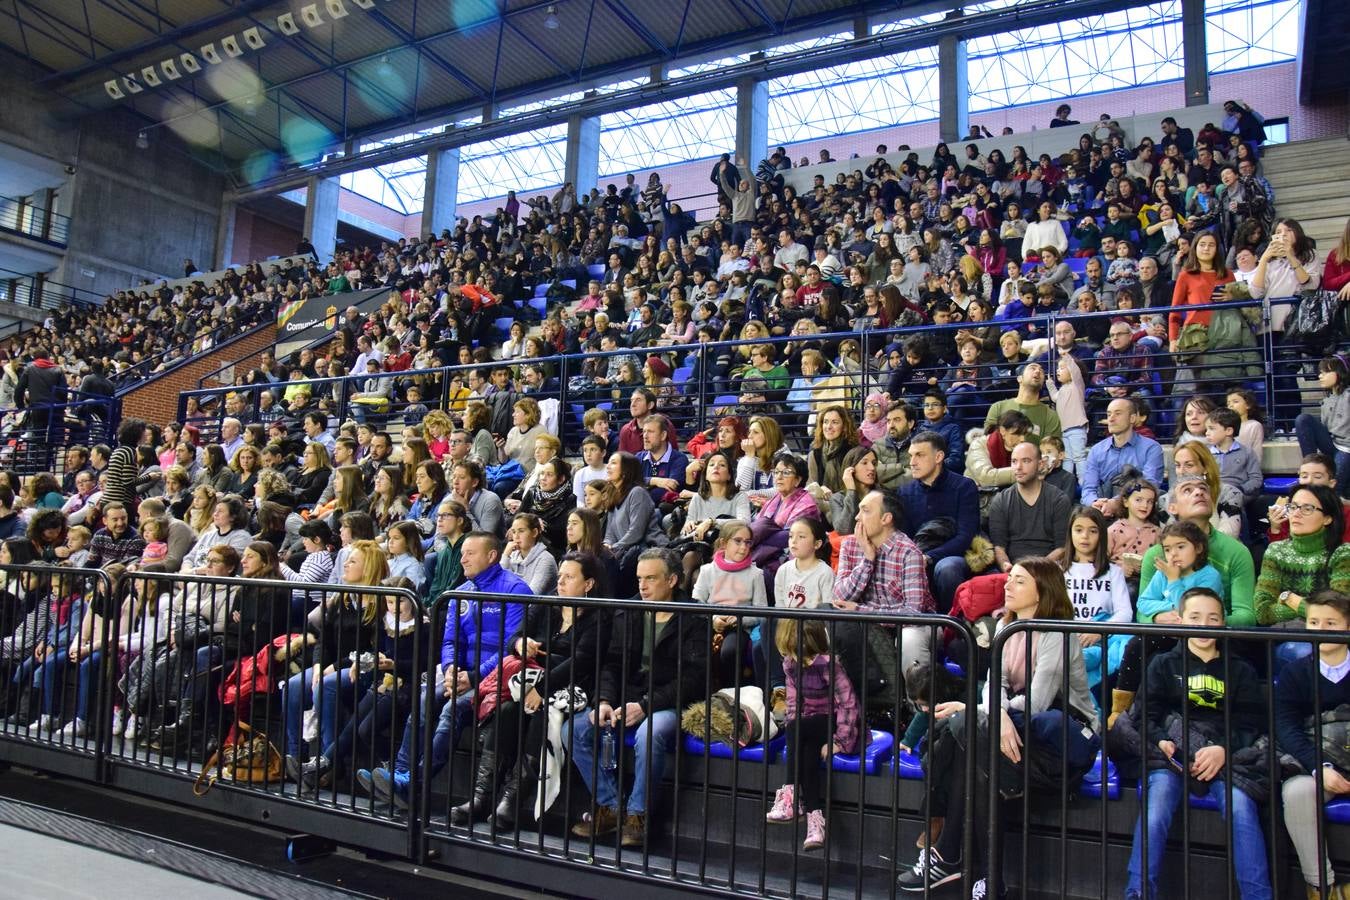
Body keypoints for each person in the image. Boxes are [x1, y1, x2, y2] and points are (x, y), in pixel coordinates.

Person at [899, 558, 1099, 895]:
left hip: (1061, 744)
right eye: (1011, 579)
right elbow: (996, 688)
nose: (1007, 586)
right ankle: (987, 877)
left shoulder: (1057, 634)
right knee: (974, 755)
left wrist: (984, 711)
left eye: (1019, 581)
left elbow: (1038, 703)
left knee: (964, 727)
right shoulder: (1008, 628)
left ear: (1042, 592)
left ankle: (949, 853)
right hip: (1017, 734)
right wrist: (998, 715)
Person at [1113, 588, 1271, 900]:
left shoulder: (1240, 669)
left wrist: (1223, 748)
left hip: (1224, 756)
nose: (1203, 625)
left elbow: (1251, 723)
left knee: (1241, 809)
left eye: (1213, 618)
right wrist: (1161, 740)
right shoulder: (1162, 664)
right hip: (1171, 754)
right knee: (1155, 809)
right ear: (1181, 620)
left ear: (1223, 623)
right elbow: (1146, 715)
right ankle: (1138, 892)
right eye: (1195, 617)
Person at [358, 532, 531, 810]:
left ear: (491, 556)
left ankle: (414, 782)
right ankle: (398, 777)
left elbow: (512, 647)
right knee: (425, 696)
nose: (462, 558)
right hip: (463, 675)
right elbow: (451, 640)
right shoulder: (460, 591)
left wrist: (472, 677)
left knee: (453, 707)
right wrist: (451, 670)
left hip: (497, 679)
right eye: (462, 553)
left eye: (470, 553)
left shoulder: (515, 590)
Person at [565, 548, 709, 847]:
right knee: (575, 729)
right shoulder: (627, 609)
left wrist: (645, 706)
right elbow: (612, 663)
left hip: (670, 701)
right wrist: (603, 700)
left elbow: (694, 679)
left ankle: (638, 815)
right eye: (639, 578)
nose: (642, 586)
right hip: (628, 697)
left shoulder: (696, 615)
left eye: (651, 579)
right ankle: (611, 806)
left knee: (650, 734)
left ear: (672, 580)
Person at [474, 552, 610, 830]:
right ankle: (482, 796)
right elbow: (515, 636)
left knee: (543, 716)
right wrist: (521, 644)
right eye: (560, 575)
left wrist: (541, 688)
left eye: (569, 577)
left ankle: (513, 801)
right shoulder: (547, 604)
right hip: (532, 684)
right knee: (507, 711)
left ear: (588, 584)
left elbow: (581, 661)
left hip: (573, 688)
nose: (560, 582)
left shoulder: (599, 617)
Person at [1274, 589, 1350, 900]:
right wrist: (1322, 766)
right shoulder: (1296, 672)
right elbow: (1287, 727)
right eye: (1313, 622)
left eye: (1330, 623)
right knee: (1298, 790)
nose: (1320, 630)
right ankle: (1322, 888)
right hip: (1322, 759)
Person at [765, 618, 862, 853]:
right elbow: (792, 701)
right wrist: (793, 719)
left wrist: (840, 740)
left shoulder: (829, 665)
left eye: (804, 655)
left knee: (797, 728)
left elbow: (848, 704)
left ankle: (790, 792)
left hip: (834, 721)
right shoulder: (790, 663)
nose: (799, 661)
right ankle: (814, 819)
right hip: (807, 724)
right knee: (806, 750)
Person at [832, 490, 935, 695]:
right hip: (868, 625)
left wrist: (861, 609)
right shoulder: (851, 545)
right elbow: (840, 596)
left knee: (909, 639)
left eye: (865, 511)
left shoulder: (908, 552)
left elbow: (913, 612)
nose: (857, 517)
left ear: (886, 519)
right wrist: (867, 560)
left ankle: (919, 708)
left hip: (918, 624)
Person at [1253, 484, 1350, 658]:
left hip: (1333, 638)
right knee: (1297, 651)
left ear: (1327, 518)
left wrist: (1289, 599)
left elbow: (1339, 612)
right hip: (1285, 636)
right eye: (1293, 507)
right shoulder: (1276, 551)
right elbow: (1263, 611)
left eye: (1307, 508)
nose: (1296, 513)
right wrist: (1313, 611)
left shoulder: (1343, 554)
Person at [898, 432, 980, 614]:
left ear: (939, 457)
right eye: (911, 455)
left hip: (955, 554)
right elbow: (904, 536)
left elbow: (965, 537)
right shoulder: (905, 492)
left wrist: (930, 557)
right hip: (918, 556)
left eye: (919, 455)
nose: (912, 462)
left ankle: (953, 625)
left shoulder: (964, 486)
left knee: (947, 568)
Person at [1062, 506, 1133, 692]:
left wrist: (1099, 631)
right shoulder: (1057, 571)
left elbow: (1125, 613)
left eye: (1092, 531)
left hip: (1101, 642)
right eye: (1079, 530)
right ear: (1070, 533)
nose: (1085, 536)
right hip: (1065, 641)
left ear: (1101, 534)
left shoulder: (1113, 573)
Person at [692, 520, 770, 689]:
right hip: (709, 623)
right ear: (724, 543)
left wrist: (739, 618)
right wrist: (713, 620)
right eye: (738, 541)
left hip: (739, 627)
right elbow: (696, 602)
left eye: (747, 542)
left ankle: (730, 693)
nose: (743, 547)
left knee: (729, 652)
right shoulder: (707, 571)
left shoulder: (756, 574)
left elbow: (761, 611)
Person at [988, 442, 1070, 572]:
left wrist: (1035, 570)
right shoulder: (1000, 500)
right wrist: (1007, 567)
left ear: (1040, 464)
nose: (1018, 467)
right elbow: (999, 547)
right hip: (1012, 571)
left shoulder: (1058, 500)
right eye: (1014, 461)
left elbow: (1062, 547)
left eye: (1026, 461)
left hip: (1048, 571)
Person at [1080, 398, 1165, 506]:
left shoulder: (1151, 449)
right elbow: (1088, 490)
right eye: (1109, 414)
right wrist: (1094, 503)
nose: (1111, 419)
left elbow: (1149, 486)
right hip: (1101, 511)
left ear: (1132, 418)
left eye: (1118, 413)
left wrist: (1115, 502)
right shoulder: (1096, 451)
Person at [1296, 356, 1350, 497]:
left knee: (1332, 490)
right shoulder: (1326, 400)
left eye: (1325, 372)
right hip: (1332, 444)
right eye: (1320, 372)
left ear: (1339, 373)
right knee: (1303, 419)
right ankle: (1311, 463)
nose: (1320, 376)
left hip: (1347, 448)